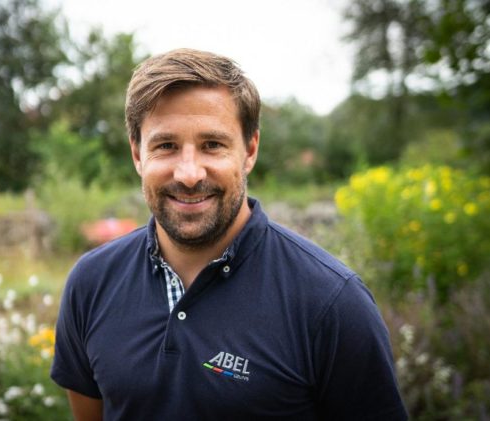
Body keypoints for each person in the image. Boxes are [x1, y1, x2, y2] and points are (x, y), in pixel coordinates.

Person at [51, 48, 407, 421]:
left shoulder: (331, 303)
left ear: (249, 150)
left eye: (213, 145)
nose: (189, 174)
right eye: (166, 146)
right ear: (138, 155)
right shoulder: (91, 283)